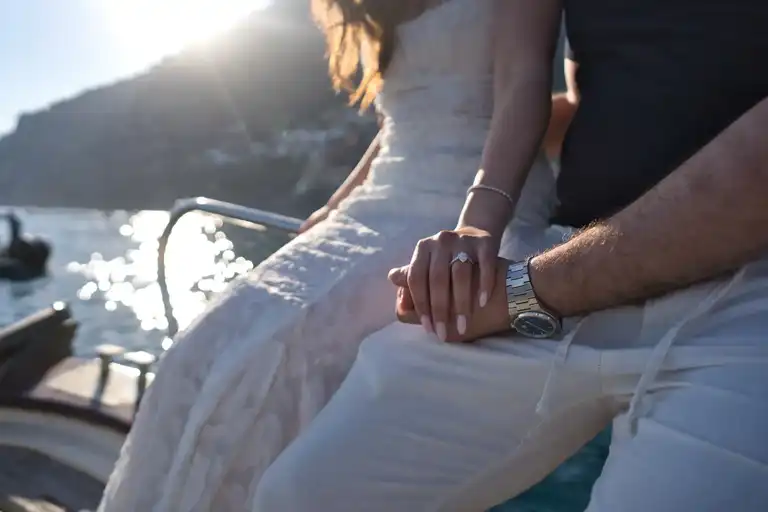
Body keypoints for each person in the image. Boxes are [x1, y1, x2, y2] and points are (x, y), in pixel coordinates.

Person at [245, 1, 768, 511]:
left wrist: (521, 291)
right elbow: (602, 91)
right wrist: (473, 224)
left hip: (743, 300)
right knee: (301, 495)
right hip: (565, 255)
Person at [98, 1, 568, 510]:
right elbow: (396, 123)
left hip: (470, 200)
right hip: (382, 198)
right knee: (201, 351)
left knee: (293, 355)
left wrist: (478, 223)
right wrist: (333, 205)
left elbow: (524, 86)